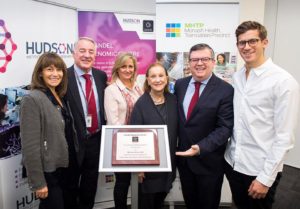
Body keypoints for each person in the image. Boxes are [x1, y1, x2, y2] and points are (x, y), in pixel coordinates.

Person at [224, 21, 300, 209]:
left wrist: (265, 178)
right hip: (233, 162)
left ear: (265, 42)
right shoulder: (238, 77)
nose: (247, 47)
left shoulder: (283, 82)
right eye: (242, 42)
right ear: (237, 46)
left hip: (258, 170)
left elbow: (284, 138)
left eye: (253, 41)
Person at [175, 43, 234, 209]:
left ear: (213, 62)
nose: (199, 63)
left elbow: (224, 128)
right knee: (190, 203)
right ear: (189, 63)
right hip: (184, 162)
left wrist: (199, 147)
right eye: (194, 59)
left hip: (209, 162)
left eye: (204, 59)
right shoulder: (180, 85)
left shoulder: (225, 90)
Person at [20, 52, 76, 209]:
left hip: (64, 169)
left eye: (59, 70)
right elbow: (30, 146)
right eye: (49, 69)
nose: (55, 74)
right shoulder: (32, 99)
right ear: (40, 73)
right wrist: (38, 182)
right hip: (49, 173)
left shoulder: (59, 95)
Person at [64, 37, 107, 209]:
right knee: (69, 188)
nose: (87, 55)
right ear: (74, 53)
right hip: (71, 144)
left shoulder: (101, 76)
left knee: (90, 188)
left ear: (95, 55)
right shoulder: (63, 77)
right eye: (82, 51)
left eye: (91, 51)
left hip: (96, 140)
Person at [130, 63, 177, 209]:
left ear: (167, 78)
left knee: (160, 200)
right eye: (153, 76)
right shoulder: (141, 104)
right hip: (149, 168)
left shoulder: (173, 100)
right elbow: (135, 136)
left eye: (161, 75)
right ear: (148, 80)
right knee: (147, 203)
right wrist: (139, 168)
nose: (158, 80)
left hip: (168, 164)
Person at [104, 52, 143, 209]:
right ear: (117, 69)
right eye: (124, 66)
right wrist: (127, 141)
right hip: (121, 144)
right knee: (123, 181)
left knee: (140, 180)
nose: (128, 70)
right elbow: (113, 122)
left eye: (131, 66)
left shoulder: (138, 87)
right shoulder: (111, 90)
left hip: (141, 142)